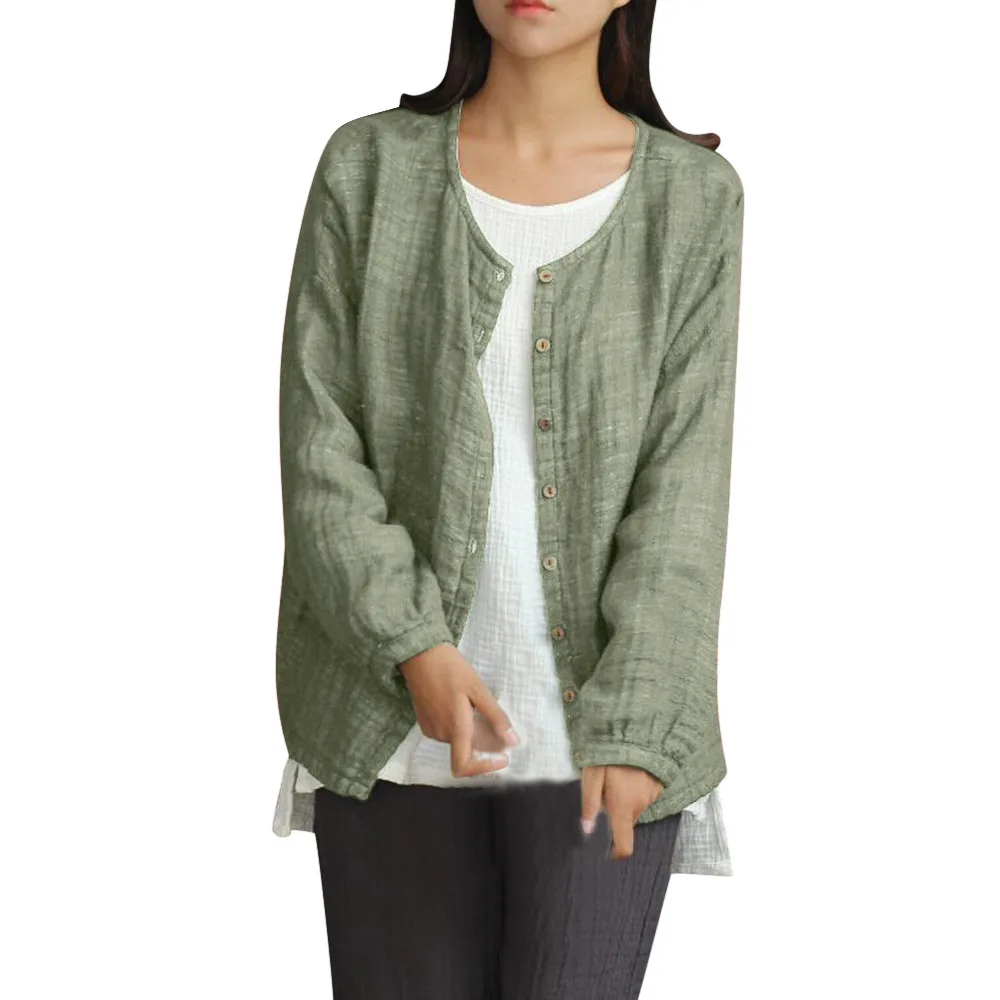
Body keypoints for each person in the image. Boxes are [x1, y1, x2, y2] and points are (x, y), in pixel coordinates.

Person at [271, 1, 744, 996]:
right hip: (386, 722)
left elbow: (684, 491)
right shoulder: (368, 166)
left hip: (604, 743)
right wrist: (414, 645)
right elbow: (319, 444)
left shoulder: (694, 199)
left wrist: (638, 720)